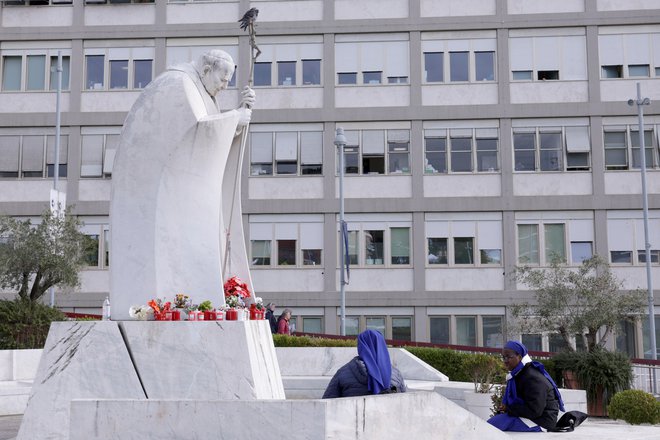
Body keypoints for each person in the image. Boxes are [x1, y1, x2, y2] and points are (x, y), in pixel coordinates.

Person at [110, 50, 255, 319]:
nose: (224, 86)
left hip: (179, 197)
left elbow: (205, 134)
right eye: (222, 80)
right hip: (157, 200)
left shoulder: (202, 91)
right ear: (206, 69)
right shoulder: (177, 85)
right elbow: (195, 132)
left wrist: (237, 119)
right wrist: (234, 117)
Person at [488, 340, 565, 432]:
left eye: (508, 357)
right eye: (503, 357)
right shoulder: (520, 373)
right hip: (531, 417)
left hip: (541, 422)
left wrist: (508, 408)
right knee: (492, 424)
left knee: (493, 426)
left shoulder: (532, 378)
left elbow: (535, 411)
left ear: (519, 357)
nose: (505, 361)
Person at [322, 329, 407, 398]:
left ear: (360, 347)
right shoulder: (396, 374)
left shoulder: (343, 372)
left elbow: (327, 401)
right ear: (382, 346)